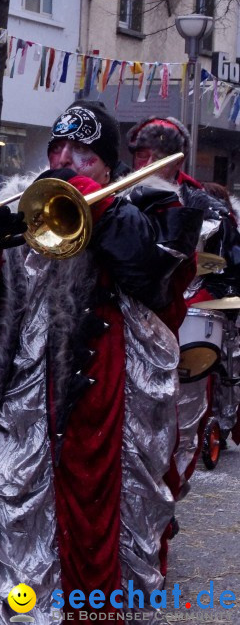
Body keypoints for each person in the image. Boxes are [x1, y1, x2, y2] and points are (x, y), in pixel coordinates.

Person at [0, 101, 201, 623]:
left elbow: (157, 279)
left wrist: (96, 207)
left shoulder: (144, 206)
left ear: (106, 165)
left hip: (99, 405)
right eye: (58, 148)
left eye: (82, 151)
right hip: (12, 396)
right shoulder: (15, 205)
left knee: (99, 528)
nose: (66, 159)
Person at [125, 116, 238, 508]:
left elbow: (223, 266)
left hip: (185, 321)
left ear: (178, 157)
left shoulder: (205, 206)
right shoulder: (116, 194)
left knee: (183, 423)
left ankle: (166, 498)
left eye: (157, 154)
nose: (148, 161)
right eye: (142, 153)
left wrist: (220, 292)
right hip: (125, 321)